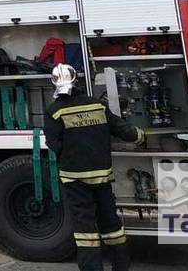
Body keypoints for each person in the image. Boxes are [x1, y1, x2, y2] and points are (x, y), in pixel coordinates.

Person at [44, 64, 143, 271]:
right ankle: (121, 266)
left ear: (54, 83)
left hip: (74, 177)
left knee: (85, 228)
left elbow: (54, 144)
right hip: (102, 175)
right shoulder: (97, 104)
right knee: (111, 223)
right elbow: (122, 129)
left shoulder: (54, 111)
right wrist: (141, 136)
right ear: (76, 80)